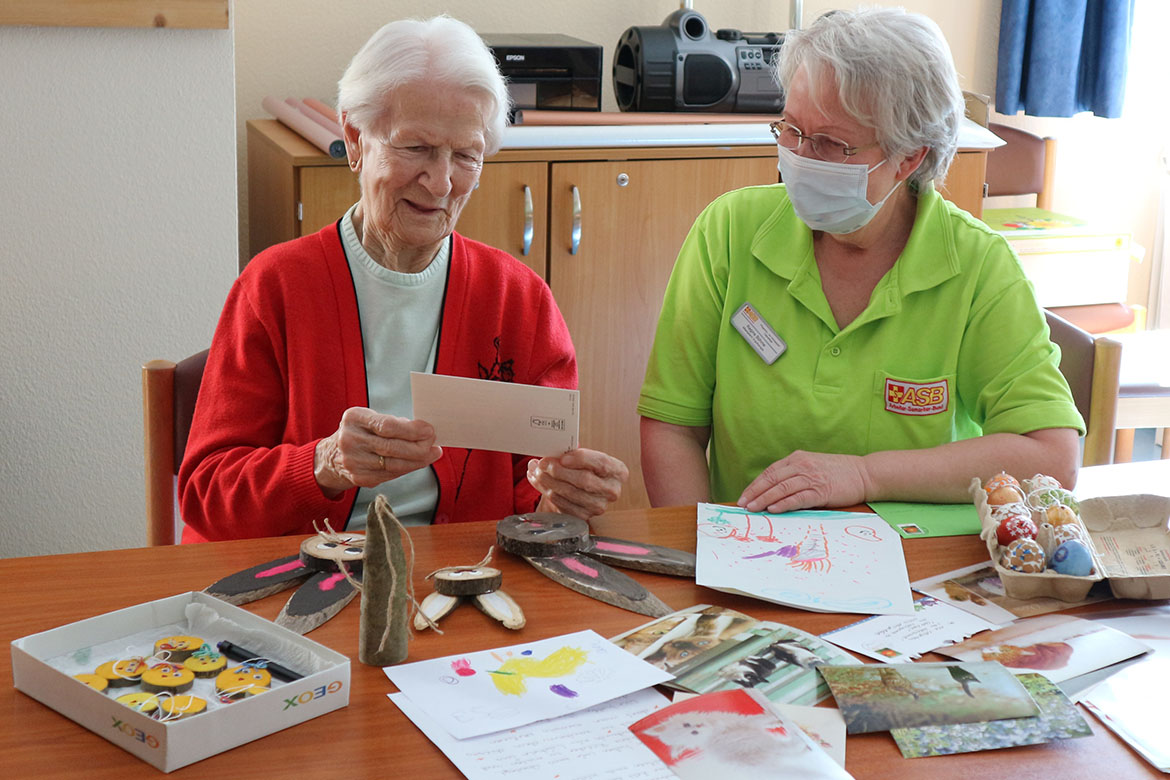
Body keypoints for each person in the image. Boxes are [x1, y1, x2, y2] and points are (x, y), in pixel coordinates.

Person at [179, 16, 627, 542]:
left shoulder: (519, 300)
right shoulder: (274, 287)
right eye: (415, 148)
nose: (440, 182)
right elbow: (206, 496)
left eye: (466, 156)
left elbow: (531, 504)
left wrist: (564, 498)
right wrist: (323, 463)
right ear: (354, 139)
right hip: (303, 576)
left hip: (461, 582)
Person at [638, 8, 1083, 514]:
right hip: (748, 555)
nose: (801, 157)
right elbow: (672, 425)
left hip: (915, 570)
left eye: (831, 143)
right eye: (791, 129)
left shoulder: (978, 266)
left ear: (909, 157)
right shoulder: (730, 232)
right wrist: (703, 549)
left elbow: (1052, 457)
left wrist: (863, 474)